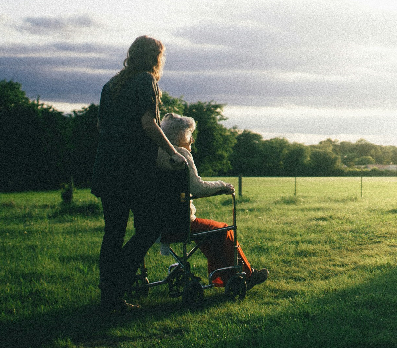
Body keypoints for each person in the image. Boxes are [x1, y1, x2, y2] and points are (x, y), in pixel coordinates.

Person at [91, 35, 186, 312]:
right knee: (149, 228)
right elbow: (149, 123)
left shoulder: (111, 85)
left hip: (107, 167)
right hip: (132, 171)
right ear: (155, 57)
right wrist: (172, 152)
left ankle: (110, 296)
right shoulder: (146, 81)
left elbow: (101, 125)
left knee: (114, 233)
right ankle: (117, 284)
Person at [156, 113, 268, 289]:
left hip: (158, 223)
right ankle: (246, 274)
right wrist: (223, 186)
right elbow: (198, 188)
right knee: (223, 230)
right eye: (189, 134)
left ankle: (222, 277)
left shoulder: (157, 154)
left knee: (211, 233)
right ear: (179, 135)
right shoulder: (181, 154)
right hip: (181, 223)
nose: (192, 139)